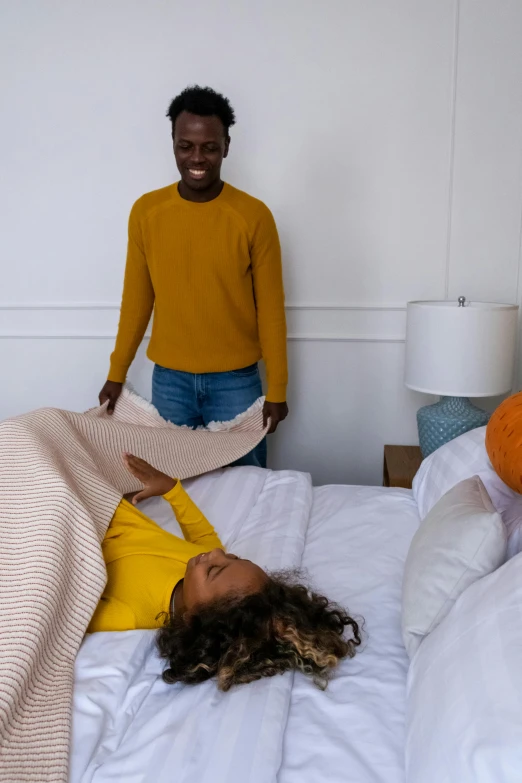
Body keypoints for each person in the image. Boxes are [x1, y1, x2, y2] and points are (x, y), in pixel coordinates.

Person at [99, 85, 289, 468]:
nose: (197, 157)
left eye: (209, 147)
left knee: (247, 493)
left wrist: (278, 389)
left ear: (227, 145)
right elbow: (137, 302)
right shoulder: (147, 212)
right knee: (173, 495)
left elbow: (271, 309)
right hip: (170, 384)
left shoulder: (254, 216)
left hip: (236, 384)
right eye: (186, 146)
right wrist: (116, 373)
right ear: (173, 143)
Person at [89, 454, 361, 691]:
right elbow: (205, 536)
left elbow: (66, 602)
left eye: (217, 569)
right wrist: (171, 490)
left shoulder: (131, 613)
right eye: (233, 557)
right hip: (103, 499)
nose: (216, 554)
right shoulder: (199, 564)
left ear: (197, 618)